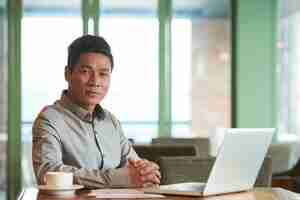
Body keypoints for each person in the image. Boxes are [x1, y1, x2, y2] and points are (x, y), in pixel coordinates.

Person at [32, 34, 161, 188]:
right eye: (86, 72)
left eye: (103, 74)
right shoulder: (49, 119)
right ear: (67, 74)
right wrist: (115, 179)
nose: (95, 82)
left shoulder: (111, 122)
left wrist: (146, 171)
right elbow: (47, 173)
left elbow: (134, 167)